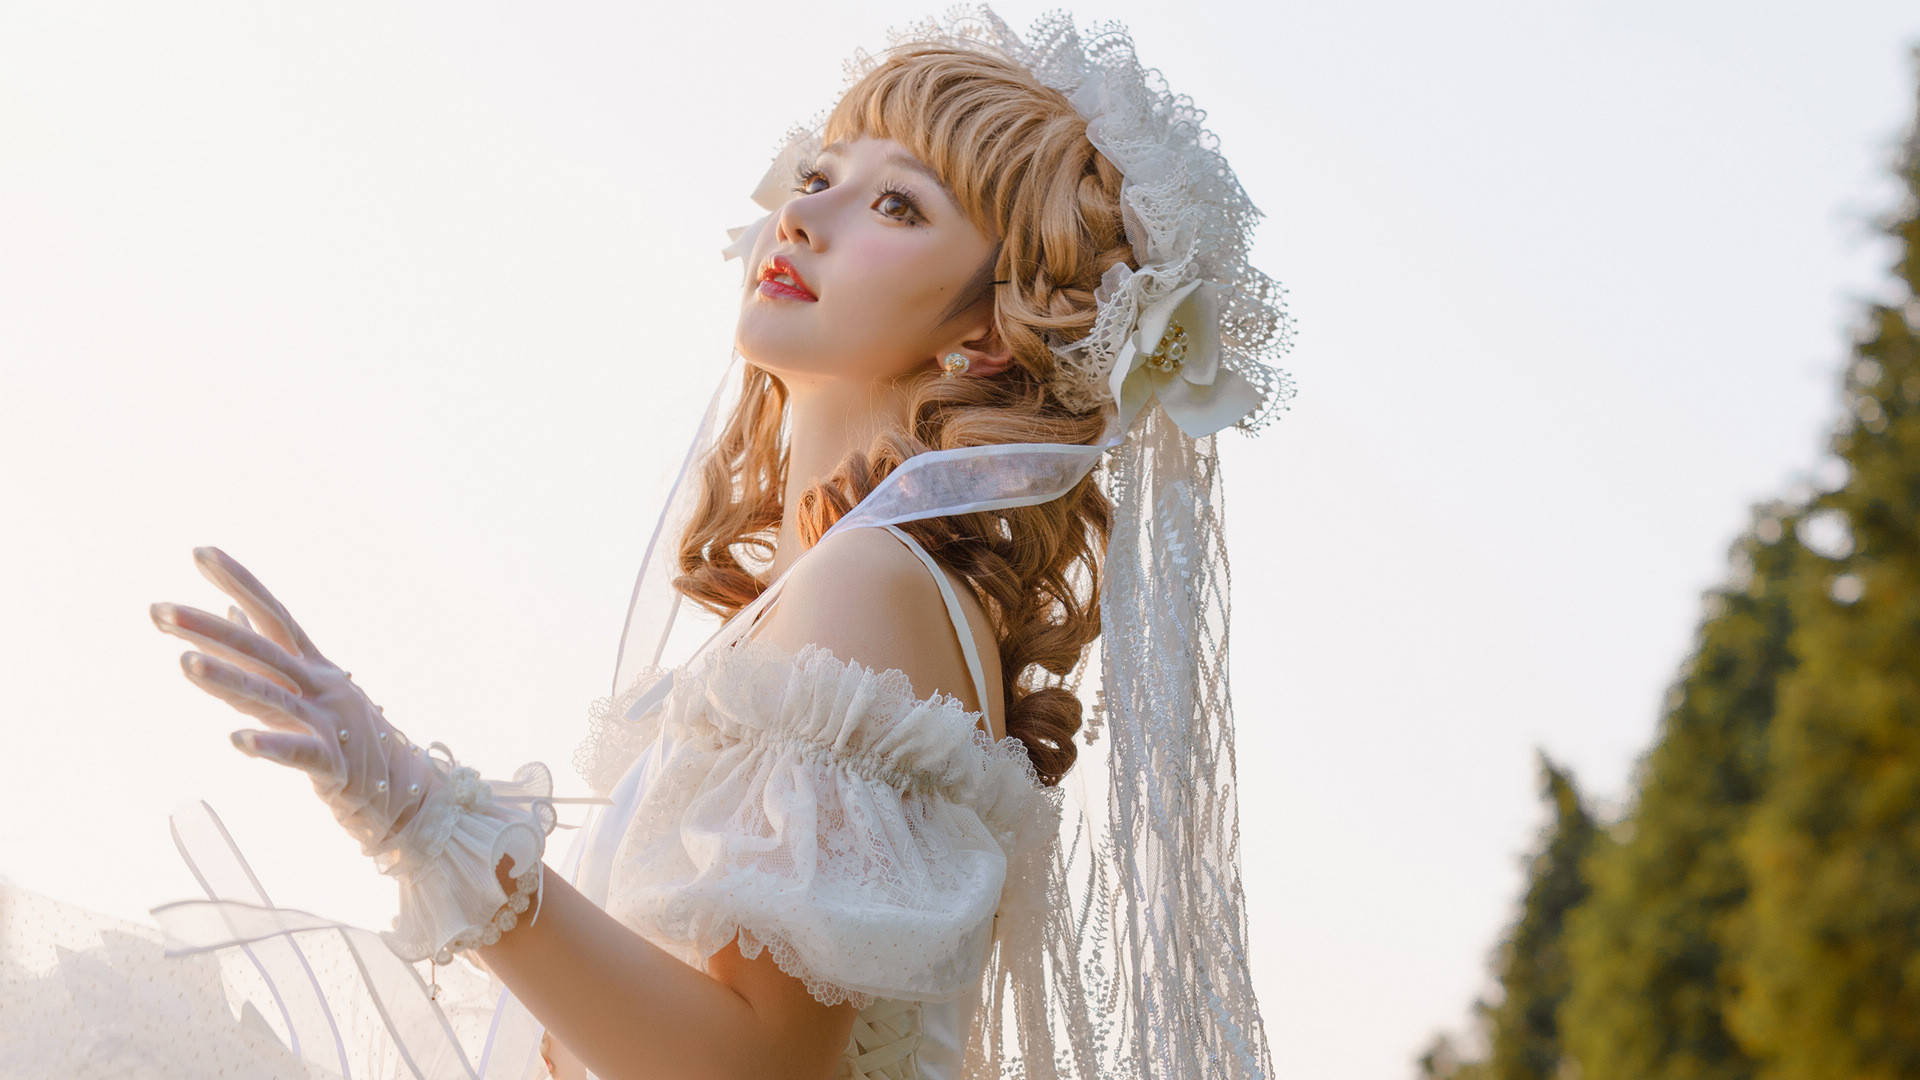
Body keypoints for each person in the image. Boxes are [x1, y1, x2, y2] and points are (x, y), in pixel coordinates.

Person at [0, 6, 1295, 1078]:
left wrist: (422, 816)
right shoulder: (853, 585)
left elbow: (753, 1065)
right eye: (818, 179)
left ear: (988, 334)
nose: (805, 217)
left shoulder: (873, 583)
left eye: (899, 206)